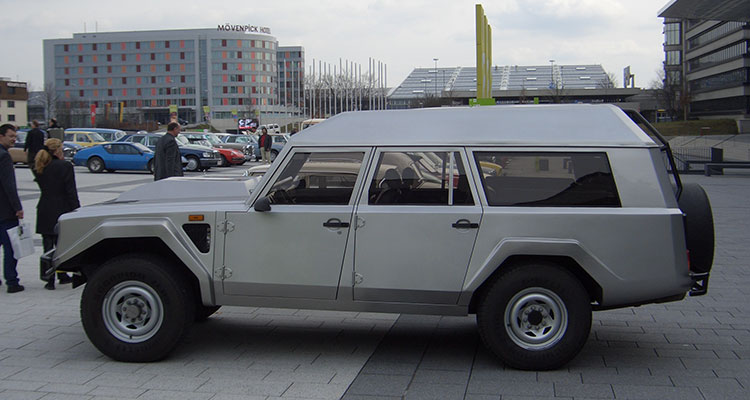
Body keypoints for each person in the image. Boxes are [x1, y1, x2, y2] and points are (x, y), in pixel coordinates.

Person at [33, 138, 80, 290]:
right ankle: (63, 274)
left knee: (47, 246)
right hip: (61, 209)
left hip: (45, 208)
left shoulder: (40, 166)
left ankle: (49, 279)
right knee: (62, 245)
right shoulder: (65, 166)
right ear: (58, 150)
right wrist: (77, 210)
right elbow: (70, 191)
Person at [0, 124, 25, 293]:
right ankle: (12, 281)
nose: (14, 139)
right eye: (11, 136)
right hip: (6, 211)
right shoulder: (4, 157)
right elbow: (9, 185)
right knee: (11, 247)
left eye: (15, 136)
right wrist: (18, 207)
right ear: (1, 136)